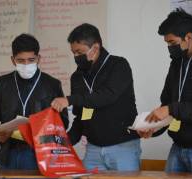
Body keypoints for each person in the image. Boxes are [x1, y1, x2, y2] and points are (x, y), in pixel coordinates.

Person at [51, 23, 141, 171]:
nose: (76, 57)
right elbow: (80, 116)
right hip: (93, 149)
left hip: (123, 147)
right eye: (73, 52)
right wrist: (62, 142)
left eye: (79, 52)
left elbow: (107, 96)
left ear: (96, 47)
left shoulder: (119, 65)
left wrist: (69, 99)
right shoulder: (77, 77)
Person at [0, 33, 69, 170]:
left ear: (38, 58)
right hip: (8, 153)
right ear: (13, 60)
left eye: (31, 60)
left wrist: (42, 127)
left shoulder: (52, 84)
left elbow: (64, 122)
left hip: (40, 154)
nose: (26, 64)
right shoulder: (2, 83)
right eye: (21, 60)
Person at [141, 9, 192, 174]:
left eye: (173, 43)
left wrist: (169, 109)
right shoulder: (176, 62)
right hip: (177, 147)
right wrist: (155, 127)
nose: (170, 48)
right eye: (167, 44)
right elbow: (167, 102)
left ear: (188, 37)